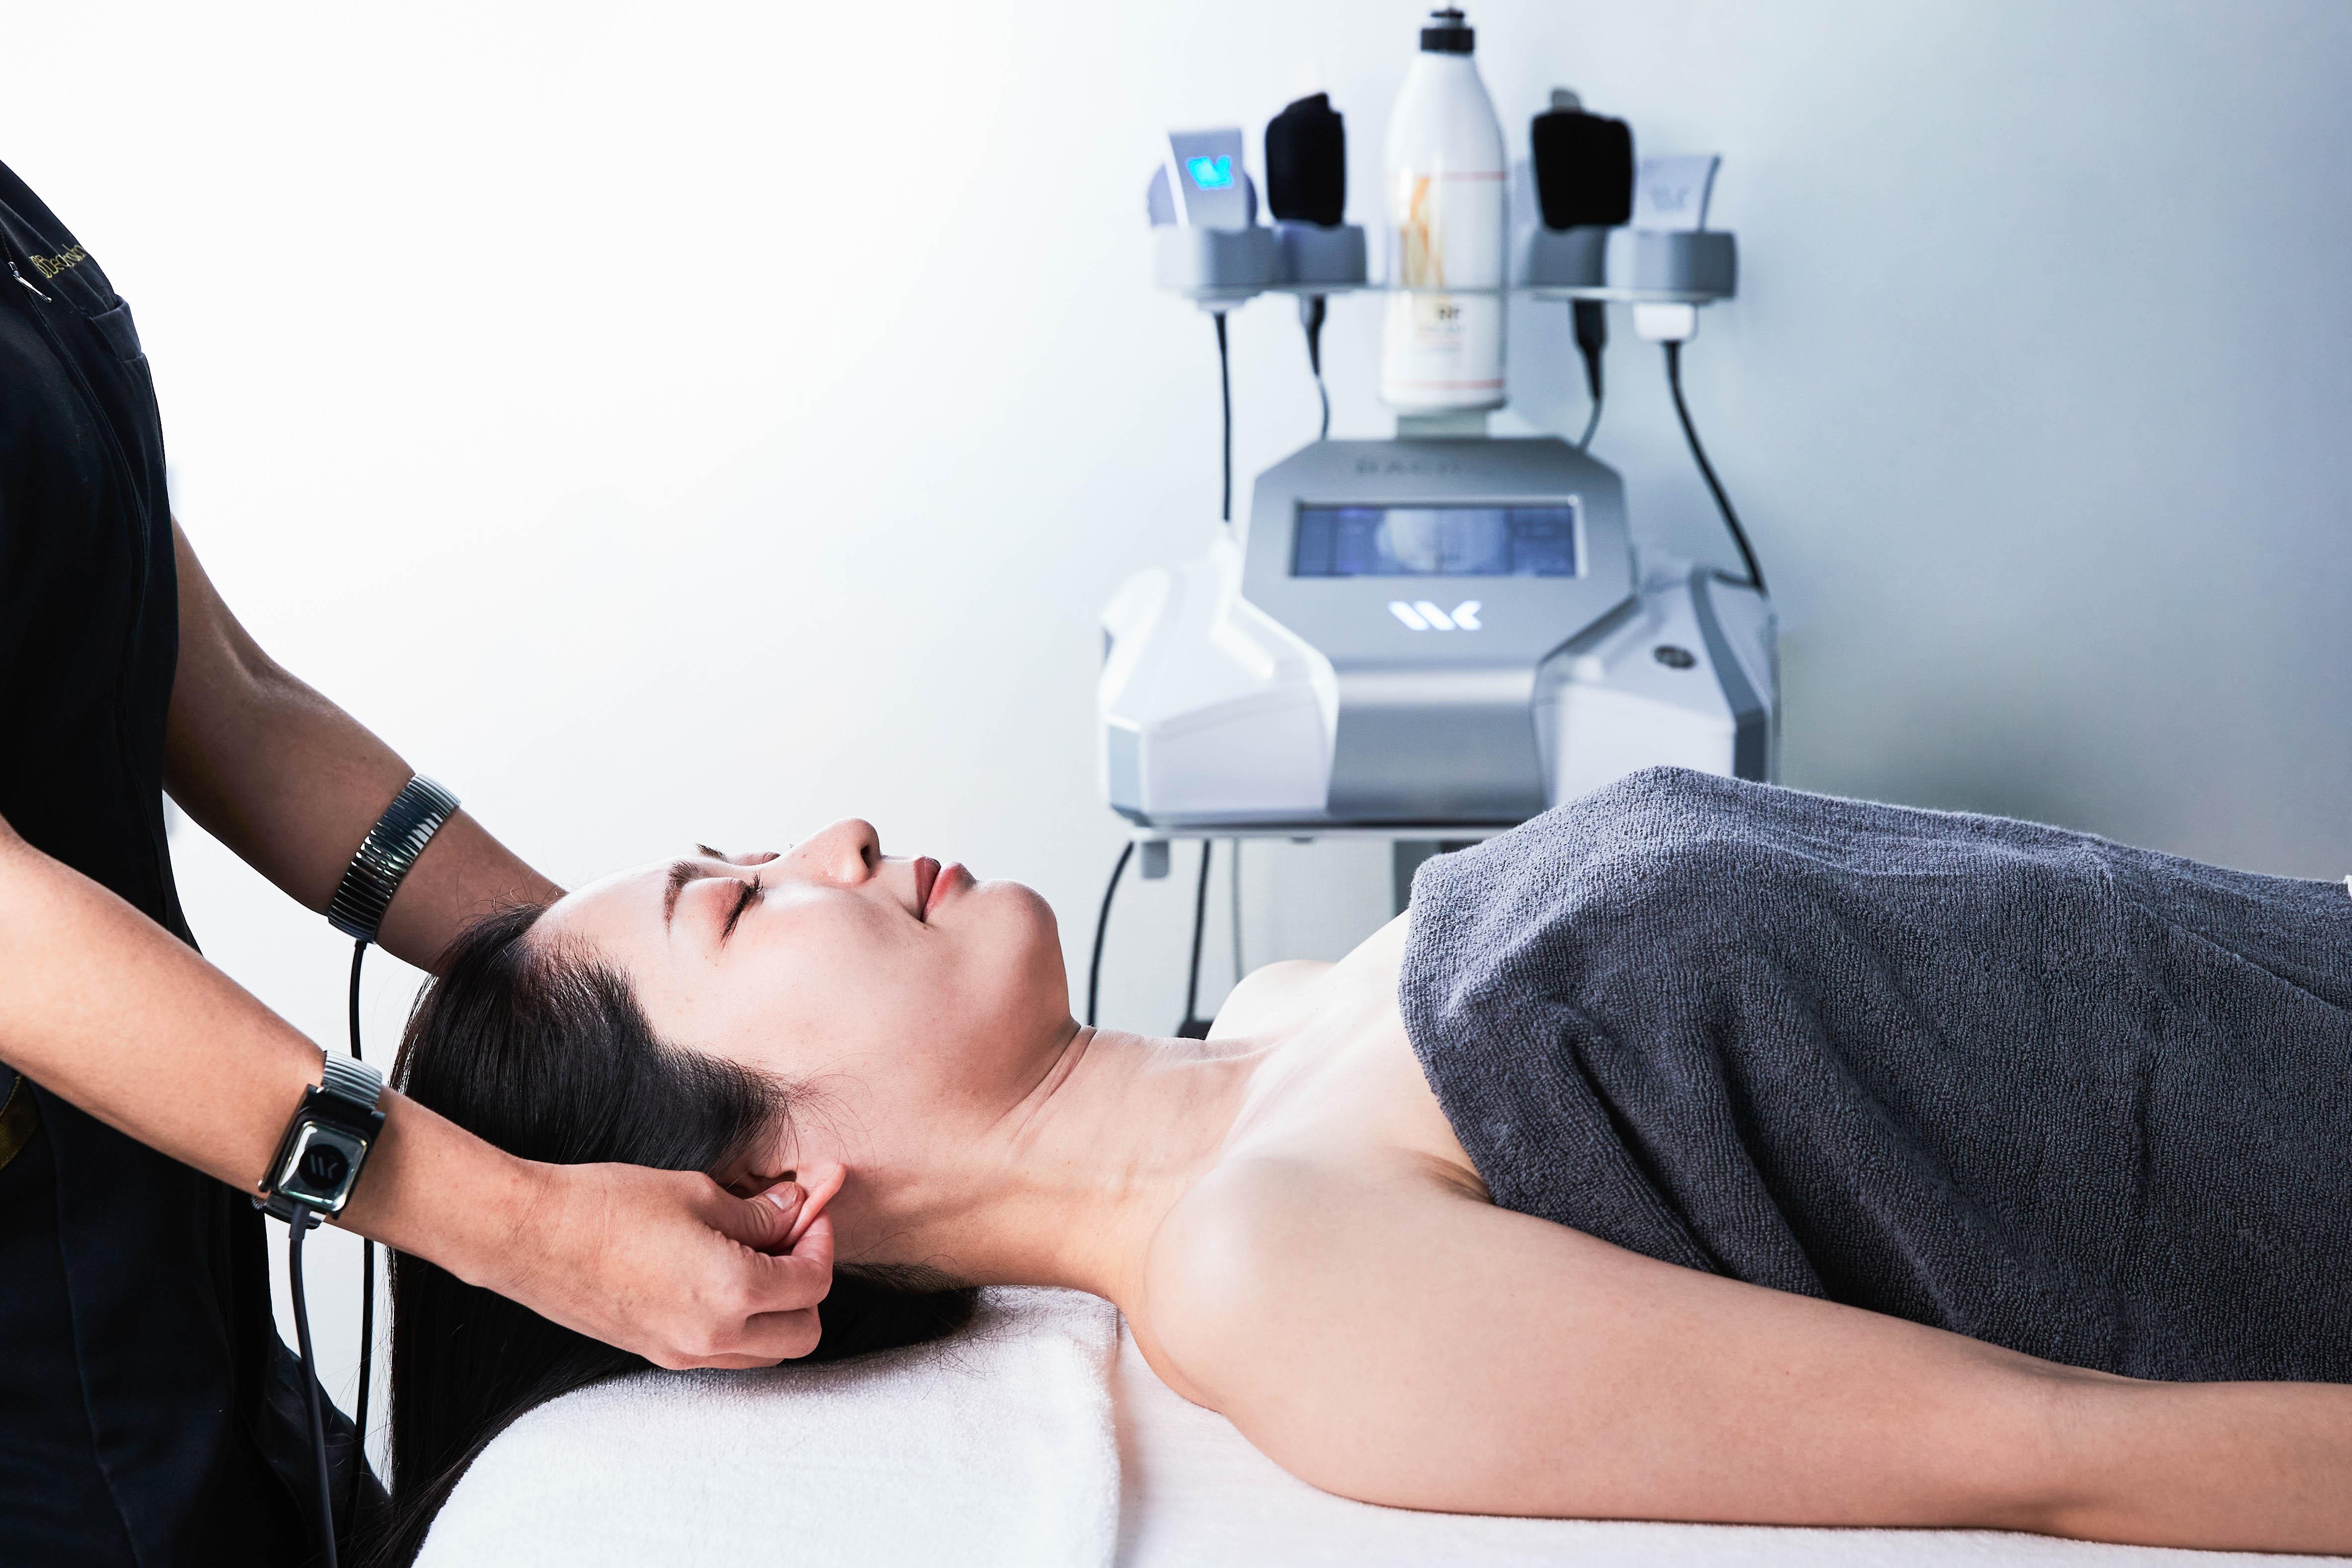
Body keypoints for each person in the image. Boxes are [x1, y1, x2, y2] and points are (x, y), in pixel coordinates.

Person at [380, 766, 2352, 1561]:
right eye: (738, 902)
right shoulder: (1267, 1270)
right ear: (768, 1195)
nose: (836, 838)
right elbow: (2038, 1449)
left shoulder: (1289, 1017)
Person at [0, 159, 836, 1566]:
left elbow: (236, 704)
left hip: (162, 1273)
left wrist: (633, 1006)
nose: (849, 855)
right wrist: (530, 1229)